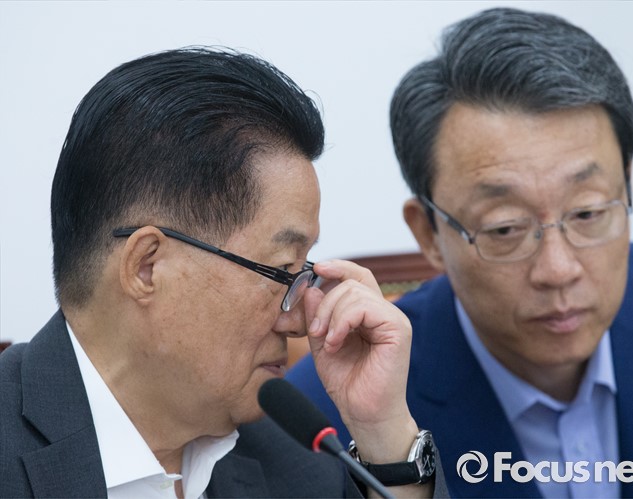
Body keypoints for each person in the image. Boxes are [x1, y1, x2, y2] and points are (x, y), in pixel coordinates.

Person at [0, 47, 449, 498]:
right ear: (147, 267)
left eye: (304, 272)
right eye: (282, 271)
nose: (299, 321)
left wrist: (382, 433)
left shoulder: (297, 466)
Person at [287, 7, 633, 498]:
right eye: (505, 228)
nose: (558, 270)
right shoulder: (328, 418)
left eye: (588, 212)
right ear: (428, 233)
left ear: (627, 186)